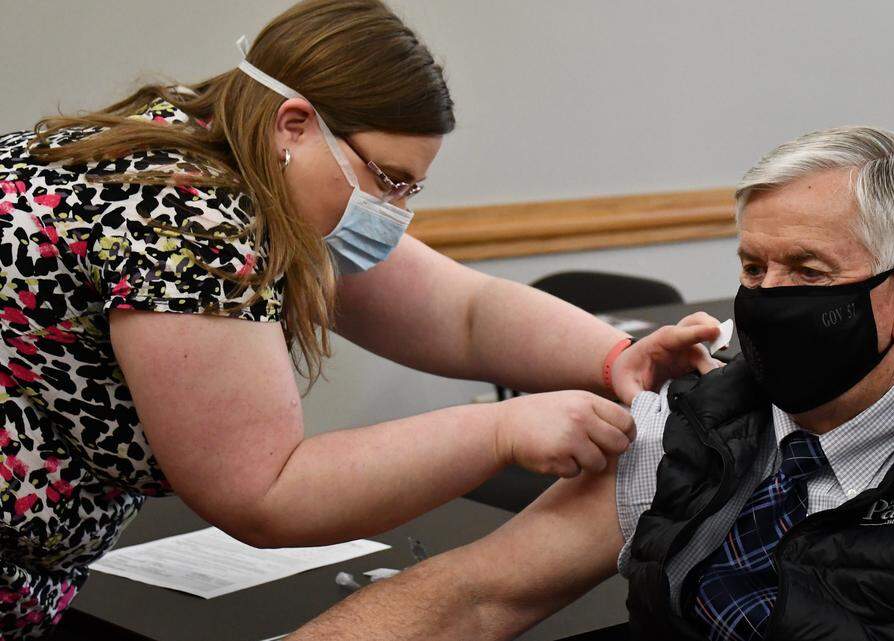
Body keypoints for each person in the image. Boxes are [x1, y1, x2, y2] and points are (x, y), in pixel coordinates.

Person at [0, 1, 723, 636]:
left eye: (413, 186)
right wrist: (502, 428)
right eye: (389, 179)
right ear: (295, 122)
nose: (397, 210)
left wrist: (612, 357)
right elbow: (266, 490)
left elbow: (463, 312)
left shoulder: (213, 138)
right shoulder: (185, 216)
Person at [290, 126, 894, 641]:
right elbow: (471, 598)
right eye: (751, 265)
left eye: (806, 270)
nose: (765, 301)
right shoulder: (700, 420)